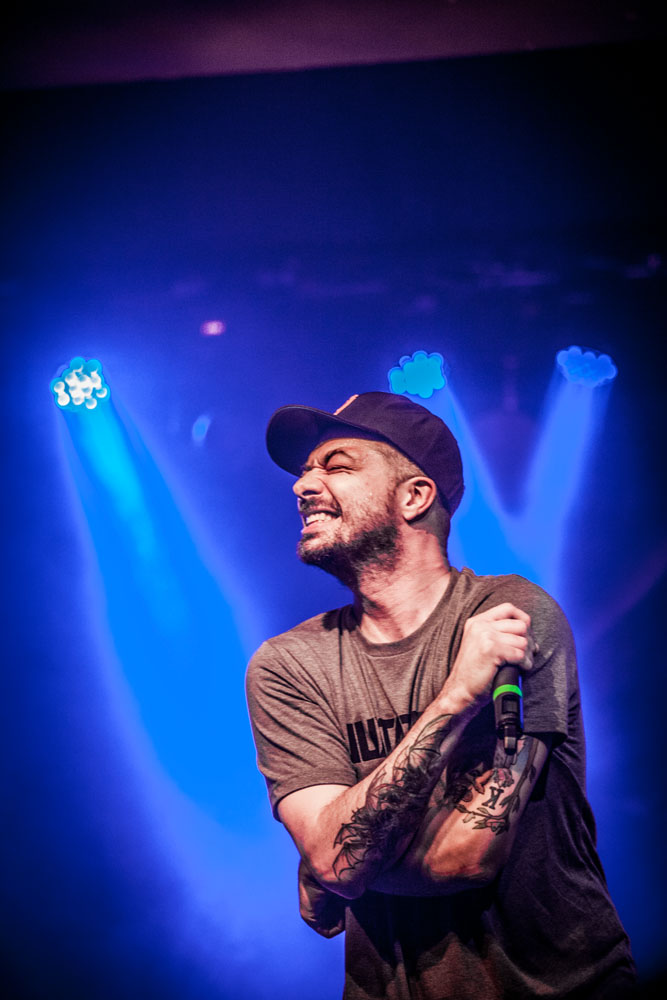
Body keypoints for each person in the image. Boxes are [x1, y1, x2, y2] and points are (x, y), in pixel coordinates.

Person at [246, 391, 635, 999]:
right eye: (304, 471)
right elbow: (333, 861)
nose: (303, 486)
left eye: (336, 466)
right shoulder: (288, 665)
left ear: (415, 497)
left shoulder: (511, 615)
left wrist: (343, 866)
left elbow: (467, 855)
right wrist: (457, 697)